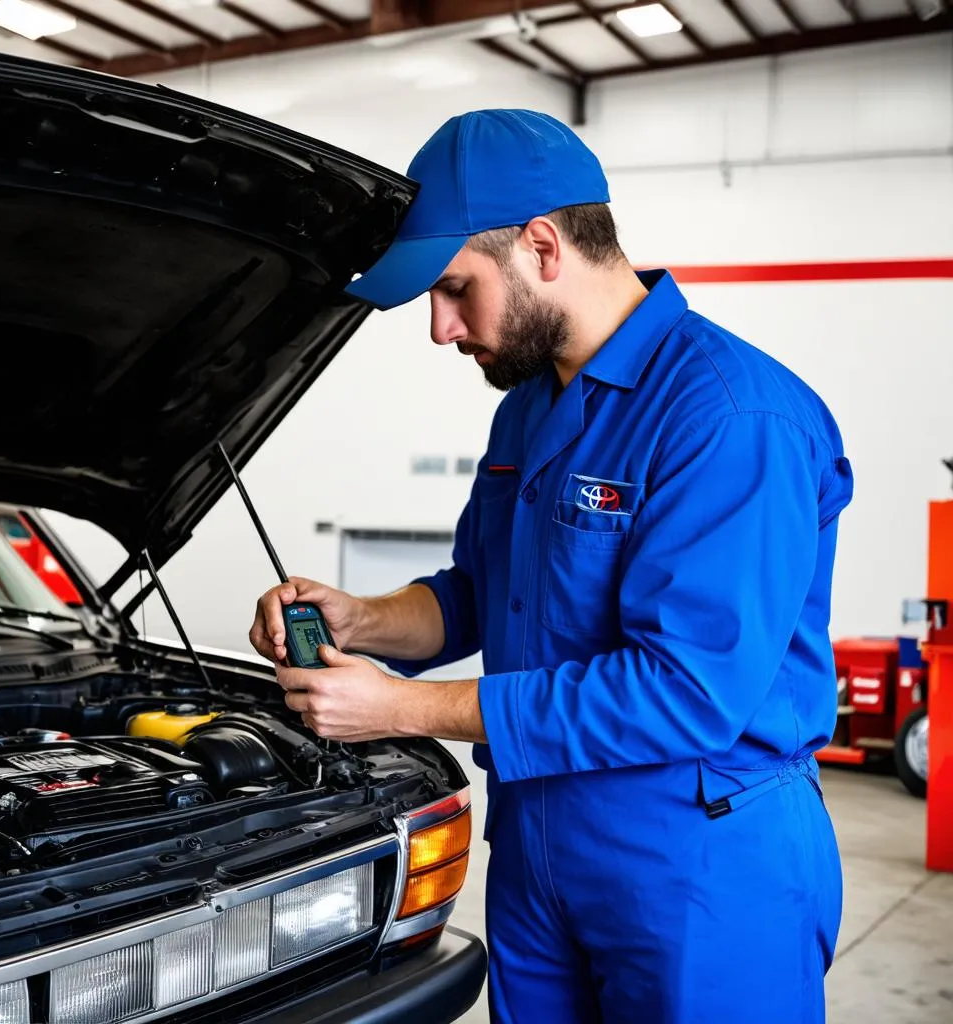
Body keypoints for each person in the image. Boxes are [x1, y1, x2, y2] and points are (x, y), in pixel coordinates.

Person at [249, 109, 854, 1024]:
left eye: (455, 290)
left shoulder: (730, 418)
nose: (441, 329)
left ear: (540, 246)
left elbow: (687, 689)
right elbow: (485, 596)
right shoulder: (530, 408)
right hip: (537, 845)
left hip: (699, 858)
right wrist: (358, 620)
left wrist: (403, 708)